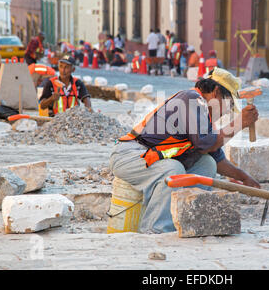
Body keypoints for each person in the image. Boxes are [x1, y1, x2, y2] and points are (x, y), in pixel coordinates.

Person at [109, 68, 260, 234]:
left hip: (150, 160)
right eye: (229, 105)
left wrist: (245, 179)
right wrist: (239, 123)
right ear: (216, 92)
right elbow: (205, 144)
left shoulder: (206, 118)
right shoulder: (191, 99)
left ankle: (186, 219)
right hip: (130, 156)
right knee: (174, 170)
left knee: (207, 164)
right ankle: (155, 230)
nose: (228, 112)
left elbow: (218, 160)